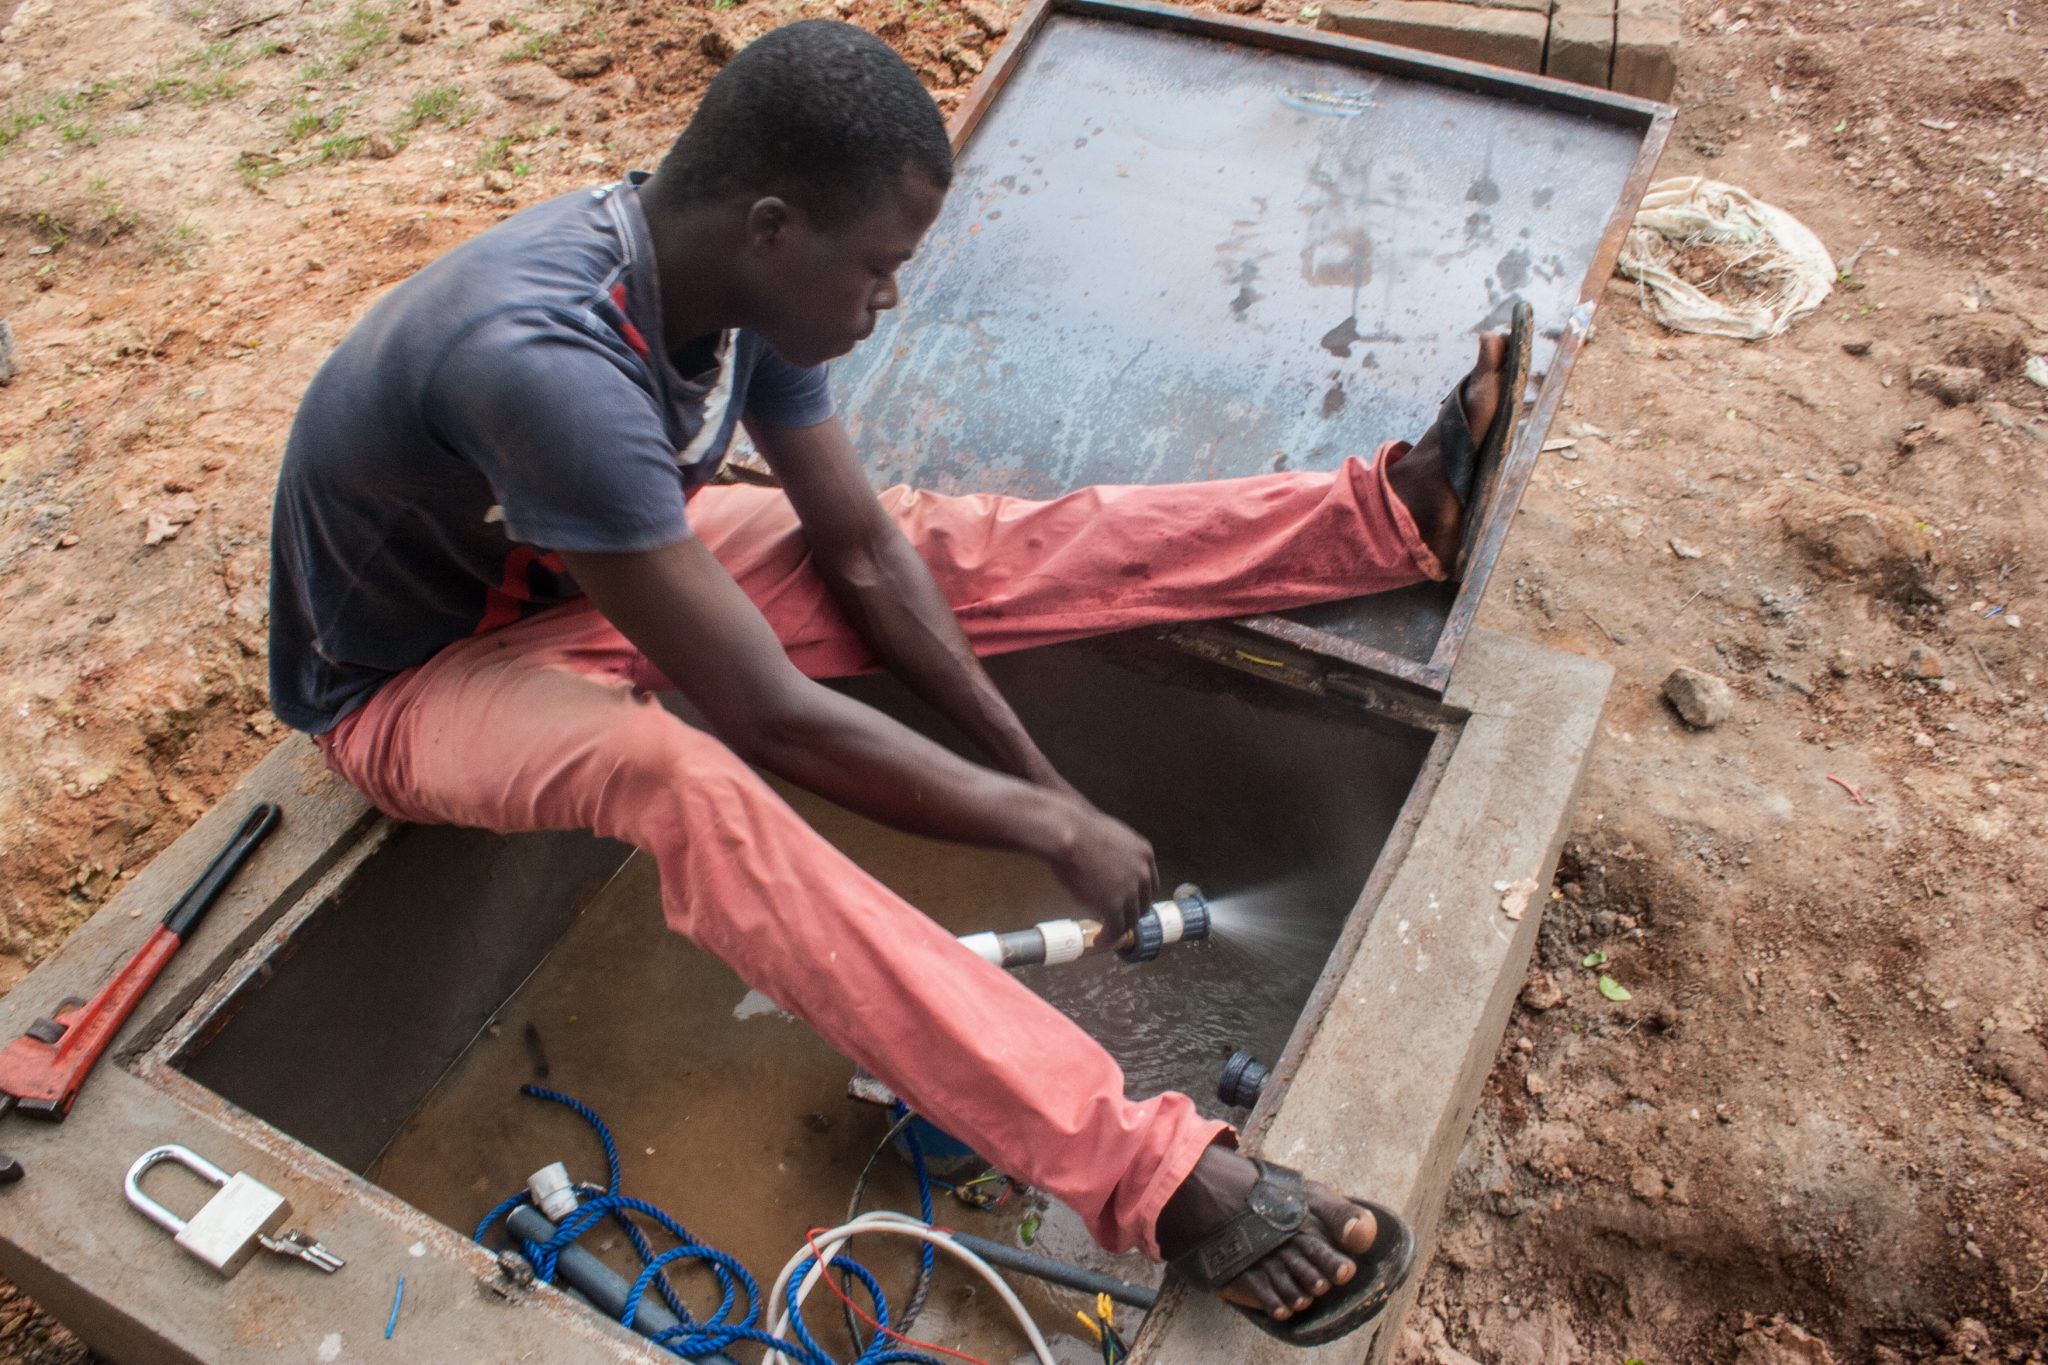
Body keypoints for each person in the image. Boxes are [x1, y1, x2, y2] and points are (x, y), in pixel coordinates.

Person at [267, 18, 1528, 1347]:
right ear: (772, 227)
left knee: (931, 544)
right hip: (408, 689)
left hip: (590, 584)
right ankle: (1148, 1176)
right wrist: (1039, 825)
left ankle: (1382, 517)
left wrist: (1046, 784)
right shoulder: (549, 364)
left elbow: (865, 555)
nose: (889, 299)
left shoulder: (728, 288)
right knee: (678, 776)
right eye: (879, 268)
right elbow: (769, 714)